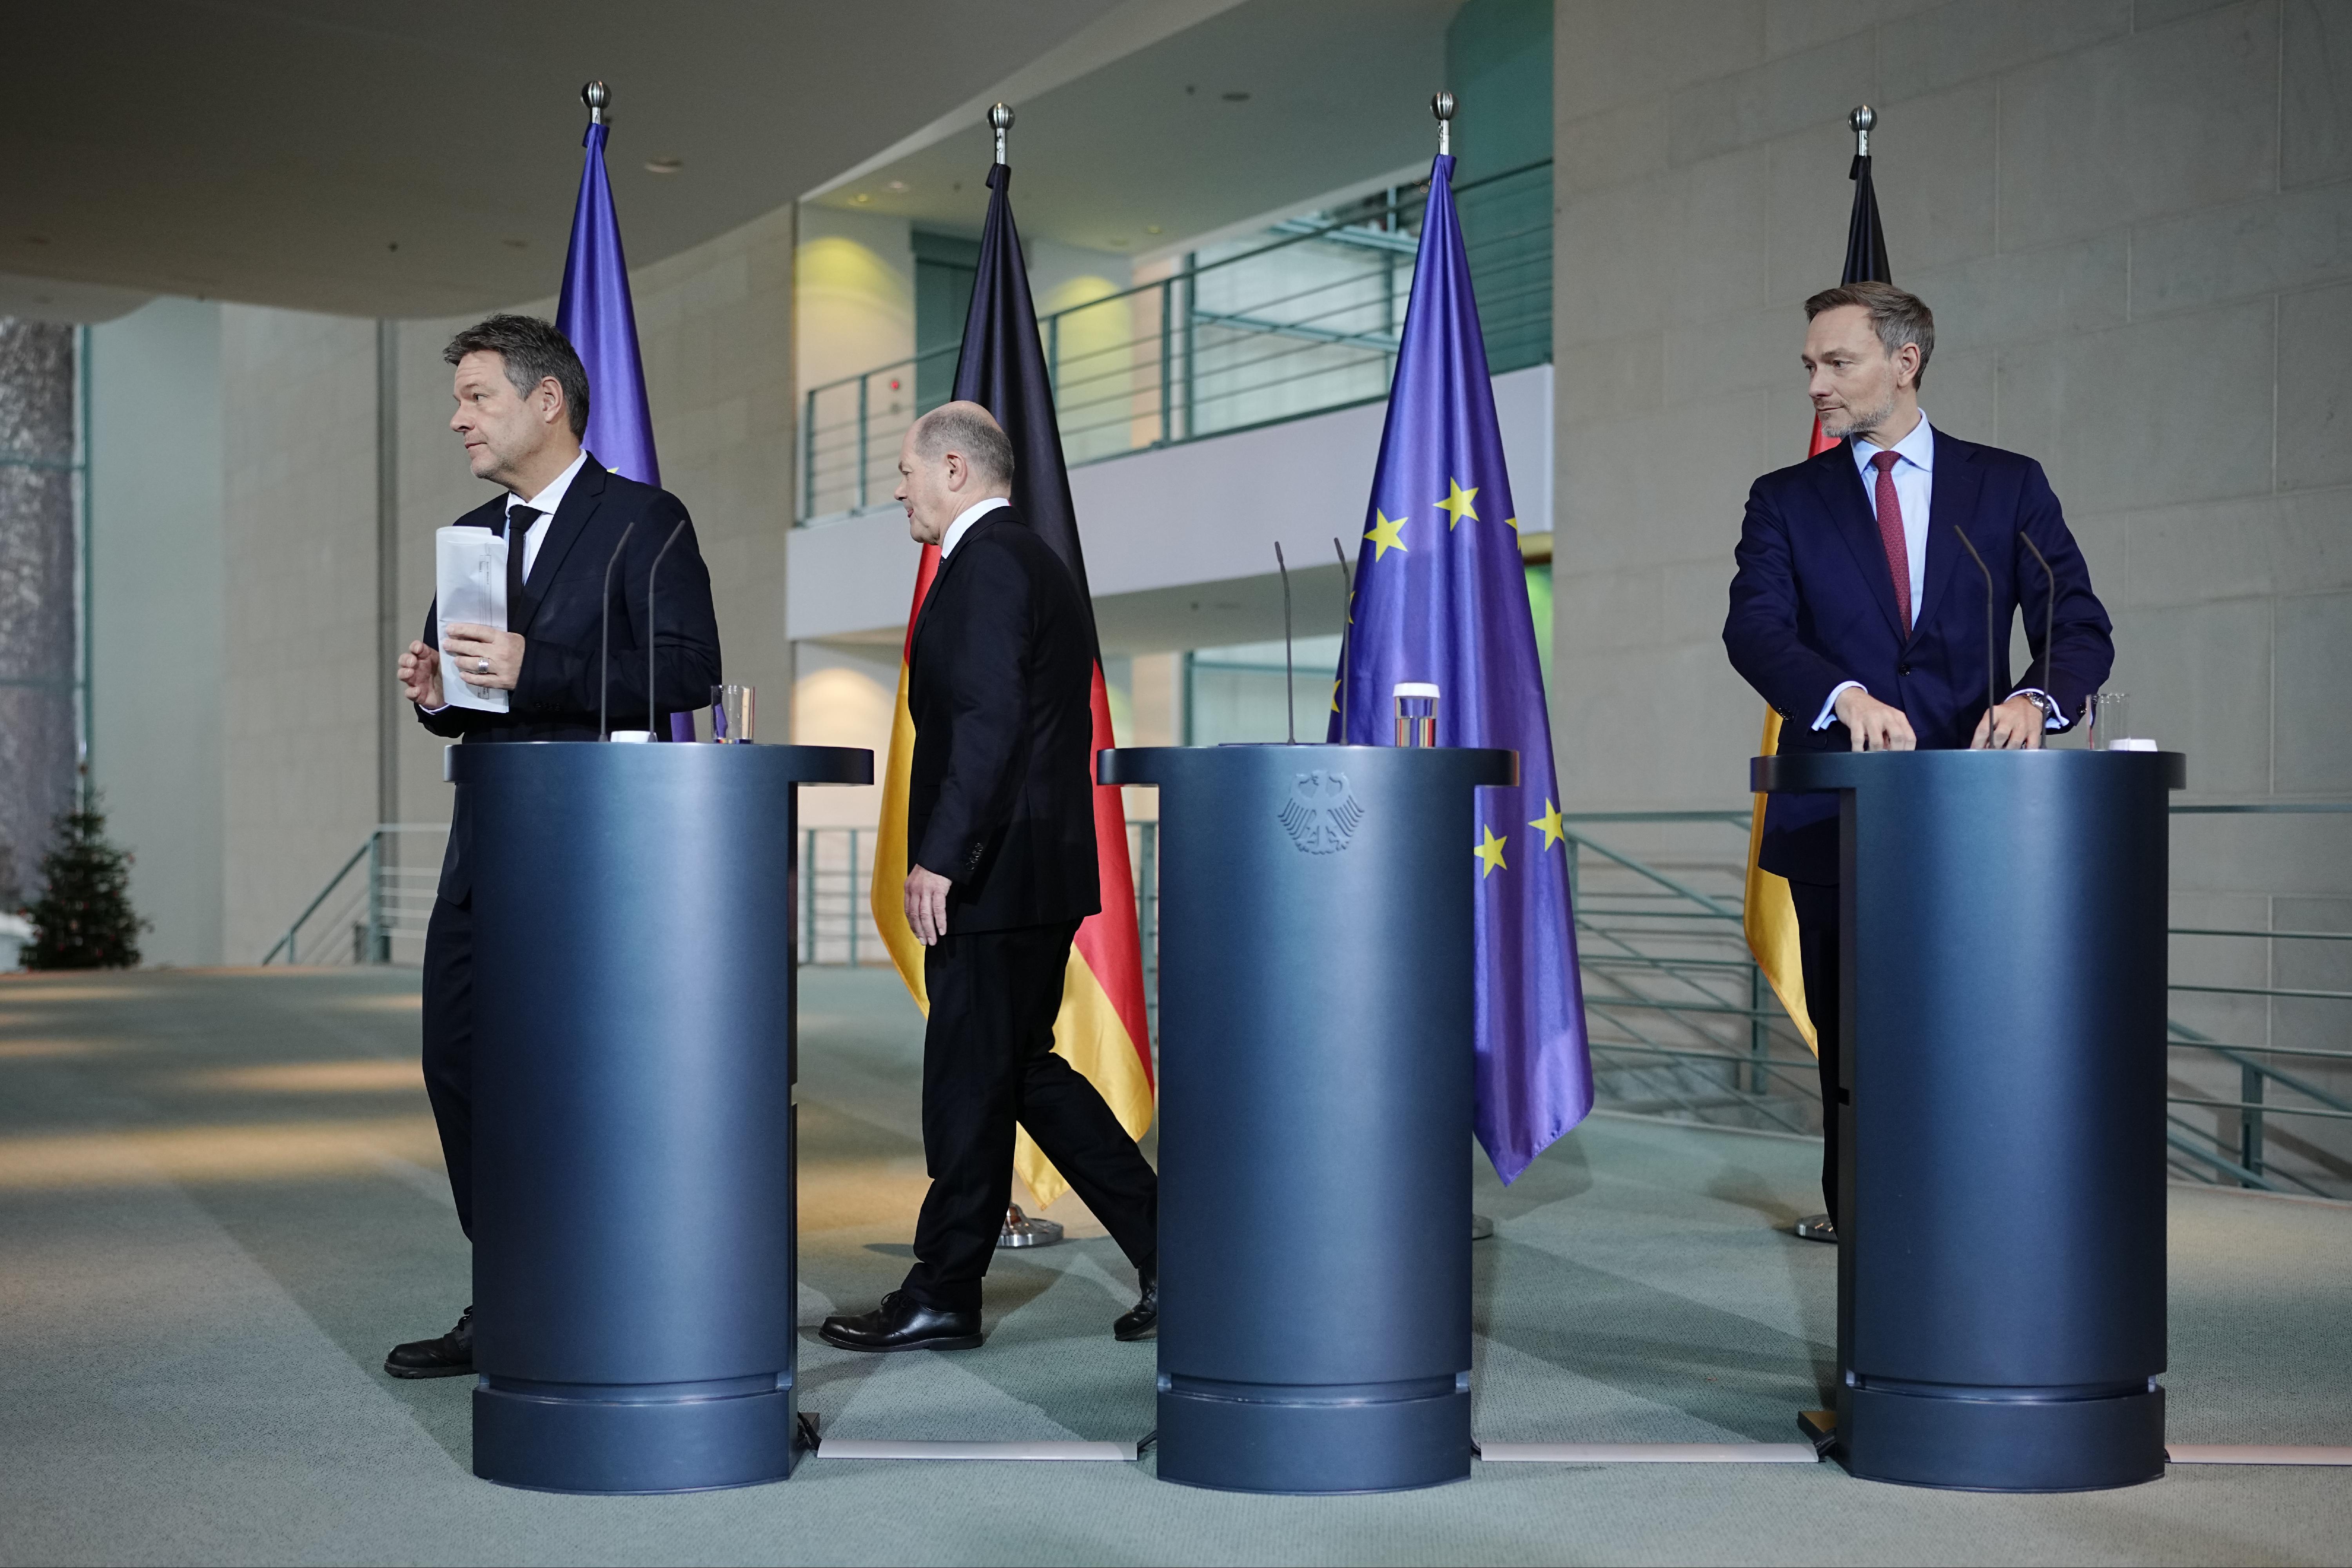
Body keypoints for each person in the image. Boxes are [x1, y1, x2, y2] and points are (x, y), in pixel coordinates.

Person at [1722, 282, 2114, 1241]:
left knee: (1976, 1032)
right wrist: (1843, 695)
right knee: (1856, 1044)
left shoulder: (2007, 485)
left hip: (1976, 817)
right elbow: (1756, 629)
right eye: (1809, 365)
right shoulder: (1784, 499)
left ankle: (1978, 1220)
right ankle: (1867, 1231)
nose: (1816, 384)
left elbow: (2076, 624)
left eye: (1837, 362)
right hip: (1837, 818)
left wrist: (2034, 699)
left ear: (1905, 362)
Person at [383, 314, 721, 1377]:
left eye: (476, 397)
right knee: (458, 1062)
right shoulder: (471, 534)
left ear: (547, 401)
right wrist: (438, 695)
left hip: (595, 864)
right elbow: (471, 699)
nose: (458, 420)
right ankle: (512, 1290)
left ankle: (599, 1293)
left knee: (579, 1084)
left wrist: (539, 664)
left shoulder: (645, 521)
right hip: (486, 850)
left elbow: (687, 672)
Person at [820, 402, 1158, 1352]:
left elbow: (987, 720)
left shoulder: (994, 563)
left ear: (955, 469)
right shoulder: (1017, 559)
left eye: (906, 470)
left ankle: (943, 1291)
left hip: (999, 873)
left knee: (971, 1083)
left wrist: (942, 854)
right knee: (1020, 1073)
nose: (898, 489)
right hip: (1025, 871)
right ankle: (1176, 1249)